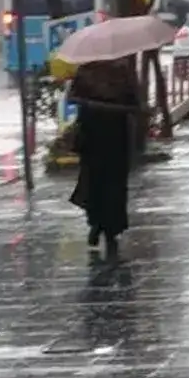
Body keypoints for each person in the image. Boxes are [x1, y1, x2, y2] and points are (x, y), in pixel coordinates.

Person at [69, 61, 140, 261]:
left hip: (104, 135)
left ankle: (103, 226)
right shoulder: (121, 72)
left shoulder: (88, 71)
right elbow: (135, 104)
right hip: (104, 136)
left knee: (101, 181)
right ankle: (104, 227)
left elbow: (134, 104)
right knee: (105, 182)